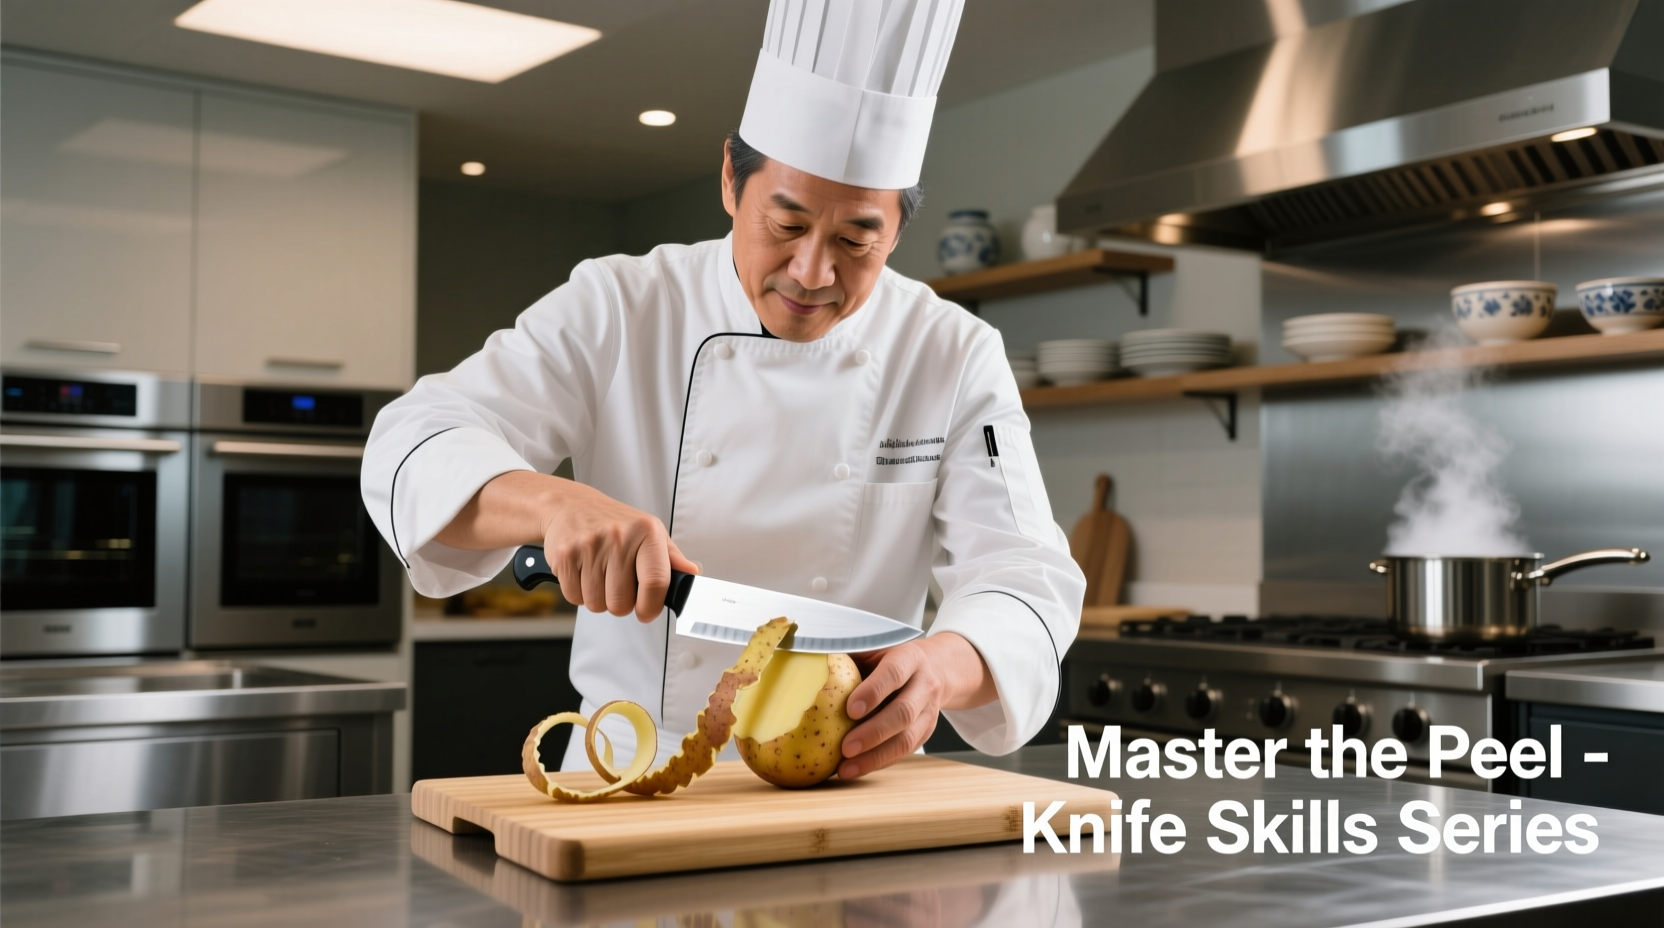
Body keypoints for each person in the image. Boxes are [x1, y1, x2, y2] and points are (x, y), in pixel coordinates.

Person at [362, 0, 1084, 779]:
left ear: (898, 234)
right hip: (626, 776)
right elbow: (414, 438)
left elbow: (1024, 572)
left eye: (855, 240)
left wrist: (942, 667)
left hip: (838, 784)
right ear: (731, 185)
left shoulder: (950, 350)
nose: (813, 273)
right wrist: (553, 504)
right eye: (786, 225)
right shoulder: (621, 305)